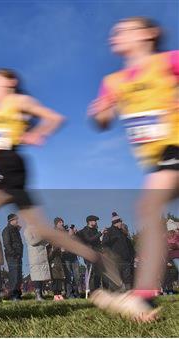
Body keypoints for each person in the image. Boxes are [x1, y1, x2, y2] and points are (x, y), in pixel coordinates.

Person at [0, 68, 121, 306]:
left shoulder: (18, 101)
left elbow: (54, 118)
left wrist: (37, 133)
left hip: (11, 166)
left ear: (9, 82)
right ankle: (97, 258)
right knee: (42, 230)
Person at [88, 16, 178, 322]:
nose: (115, 35)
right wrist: (100, 112)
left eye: (125, 30)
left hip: (174, 146)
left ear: (149, 34)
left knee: (148, 206)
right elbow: (103, 120)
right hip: (156, 159)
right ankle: (144, 297)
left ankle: (143, 298)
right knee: (148, 208)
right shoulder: (113, 81)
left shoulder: (169, 61)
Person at [102, 212, 136, 290]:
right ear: (116, 222)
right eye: (121, 222)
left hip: (126, 261)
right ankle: (115, 297)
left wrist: (132, 257)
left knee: (127, 279)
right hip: (115, 261)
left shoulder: (122, 232)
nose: (121, 223)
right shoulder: (109, 231)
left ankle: (128, 295)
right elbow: (104, 244)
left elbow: (129, 246)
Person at [24, 226, 50, 301]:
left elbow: (45, 242)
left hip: (42, 255)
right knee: (37, 276)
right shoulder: (27, 230)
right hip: (35, 256)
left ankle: (41, 294)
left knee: (42, 276)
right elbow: (32, 241)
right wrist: (41, 237)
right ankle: (37, 294)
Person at [77, 215, 103, 294]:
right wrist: (100, 233)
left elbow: (97, 242)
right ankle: (92, 292)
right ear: (90, 221)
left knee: (98, 273)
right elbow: (89, 240)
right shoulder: (85, 230)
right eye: (95, 220)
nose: (96, 222)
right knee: (91, 273)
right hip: (89, 254)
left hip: (97, 254)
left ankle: (97, 290)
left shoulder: (95, 230)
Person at [2, 214, 23, 301]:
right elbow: (7, 244)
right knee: (14, 275)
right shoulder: (6, 230)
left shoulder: (15, 230)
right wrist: (14, 254)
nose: (17, 221)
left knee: (18, 276)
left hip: (18, 256)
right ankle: (12, 295)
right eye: (16, 220)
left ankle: (17, 294)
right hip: (12, 257)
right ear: (11, 220)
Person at [62, 220, 81, 299]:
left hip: (74, 257)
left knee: (77, 276)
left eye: (73, 229)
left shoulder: (75, 237)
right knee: (68, 276)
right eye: (71, 229)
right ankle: (69, 294)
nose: (72, 230)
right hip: (66, 258)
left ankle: (76, 292)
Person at [48, 219, 66, 301]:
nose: (62, 224)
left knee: (59, 276)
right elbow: (52, 246)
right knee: (55, 276)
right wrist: (58, 248)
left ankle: (59, 293)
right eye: (60, 223)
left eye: (62, 223)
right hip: (54, 258)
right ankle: (55, 294)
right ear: (56, 224)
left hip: (59, 257)